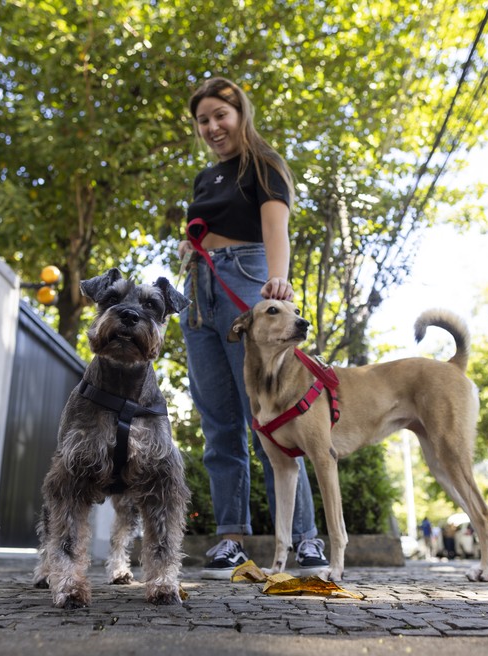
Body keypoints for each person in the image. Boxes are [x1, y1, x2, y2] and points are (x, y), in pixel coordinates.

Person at [177, 77, 329, 580]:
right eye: (203, 119)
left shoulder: (264, 165)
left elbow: (274, 228)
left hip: (247, 278)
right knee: (218, 420)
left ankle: (306, 537)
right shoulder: (205, 178)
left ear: (241, 113)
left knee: (271, 415)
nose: (212, 127)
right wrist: (190, 254)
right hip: (201, 290)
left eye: (221, 114)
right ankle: (231, 539)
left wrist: (276, 281)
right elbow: (197, 231)